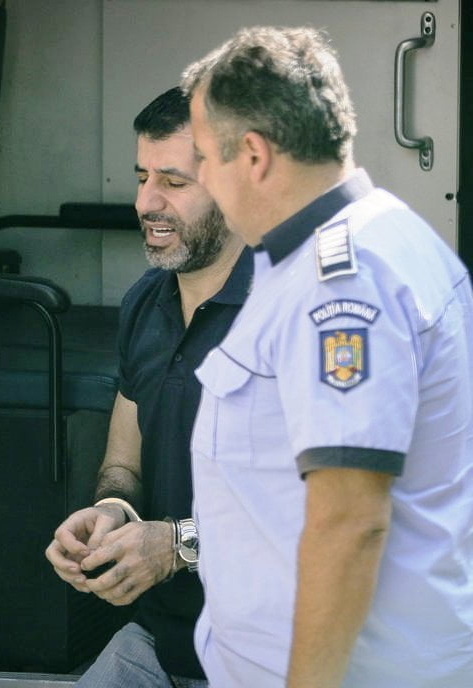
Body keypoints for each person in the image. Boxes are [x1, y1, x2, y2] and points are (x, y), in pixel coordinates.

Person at [181, 26, 473, 688]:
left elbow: (350, 519)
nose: (200, 176)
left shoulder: (341, 283)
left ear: (253, 154)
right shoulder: (370, 236)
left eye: (202, 156)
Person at [45, 87, 249, 687]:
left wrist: (178, 545)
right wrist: (111, 513)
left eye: (174, 182)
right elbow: (122, 464)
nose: (145, 203)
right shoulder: (145, 302)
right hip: (165, 637)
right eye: (142, 177)